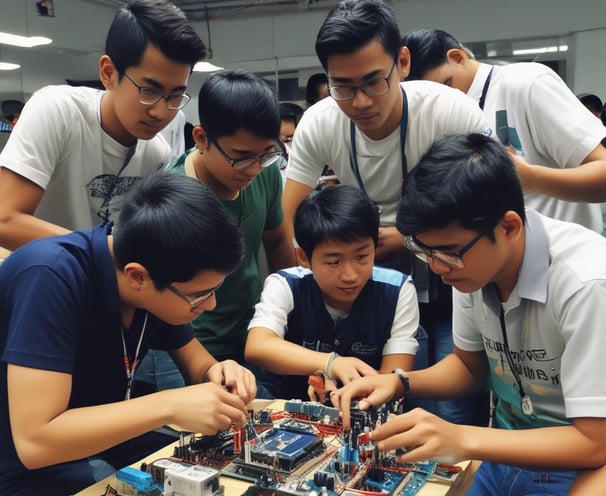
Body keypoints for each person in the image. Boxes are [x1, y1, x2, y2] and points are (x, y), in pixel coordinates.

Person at [332, 133, 606, 496]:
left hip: (580, 463)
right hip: (505, 452)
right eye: (423, 250)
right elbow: (469, 367)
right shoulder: (471, 266)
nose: (437, 266)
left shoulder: (587, 284)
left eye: (446, 252)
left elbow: (594, 442)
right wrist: (401, 382)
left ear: (509, 227)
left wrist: (462, 437)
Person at [282, 0, 492, 426]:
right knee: (370, 405)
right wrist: (312, 315)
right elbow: (291, 226)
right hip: (365, 282)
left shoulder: (449, 110)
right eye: (342, 86)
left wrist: (405, 239)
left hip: (453, 274)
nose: (359, 101)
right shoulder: (320, 123)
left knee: (449, 409)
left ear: (402, 62)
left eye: (373, 82)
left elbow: (488, 208)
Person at [0, 172, 257, 496]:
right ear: (138, 276)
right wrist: (170, 404)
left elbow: (197, 364)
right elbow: (35, 442)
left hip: (104, 443)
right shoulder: (49, 277)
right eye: (199, 295)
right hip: (25, 467)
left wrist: (219, 372)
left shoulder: (153, 266)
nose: (211, 304)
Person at [0, 0, 205, 251]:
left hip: (100, 284)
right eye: (149, 90)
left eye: (175, 96)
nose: (161, 112)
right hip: (42, 280)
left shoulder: (155, 152)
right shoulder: (57, 111)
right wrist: (105, 252)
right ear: (108, 72)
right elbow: (4, 220)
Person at [136, 69, 295, 393]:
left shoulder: (262, 172)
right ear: (201, 138)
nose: (254, 168)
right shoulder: (174, 199)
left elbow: (278, 240)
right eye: (240, 157)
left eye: (265, 155)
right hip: (184, 344)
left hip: (249, 334)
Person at [401, 28, 606, 233]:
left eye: (447, 86)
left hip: (560, 254)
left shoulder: (526, 83)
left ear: (457, 57)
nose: (444, 100)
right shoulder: (443, 116)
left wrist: (534, 179)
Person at [245, 185, 419, 401]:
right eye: (334, 262)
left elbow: (391, 381)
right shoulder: (285, 284)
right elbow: (257, 346)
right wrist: (330, 364)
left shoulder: (398, 290)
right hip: (283, 405)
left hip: (357, 411)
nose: (350, 275)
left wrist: (344, 390)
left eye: (362, 257)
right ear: (303, 258)